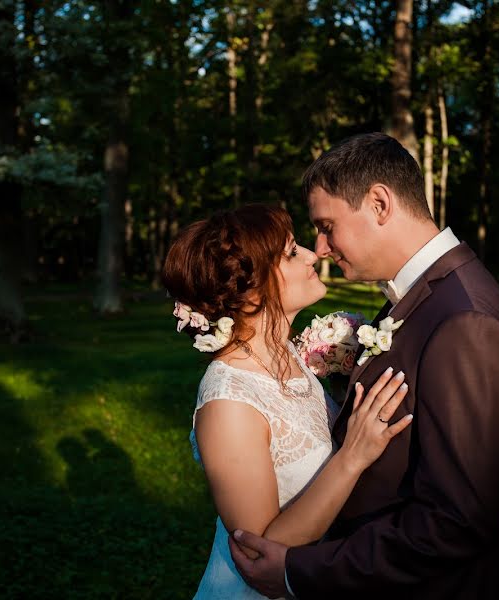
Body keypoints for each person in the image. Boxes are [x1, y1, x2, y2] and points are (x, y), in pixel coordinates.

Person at [229, 133, 499, 599]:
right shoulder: (426, 298)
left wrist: (300, 571)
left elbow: (454, 523)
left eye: (327, 225)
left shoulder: (465, 322)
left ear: (378, 203)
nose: (322, 247)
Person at [161, 203, 414, 599]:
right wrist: (352, 456)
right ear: (250, 290)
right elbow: (260, 549)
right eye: (292, 252)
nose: (314, 254)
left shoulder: (289, 357)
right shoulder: (228, 402)